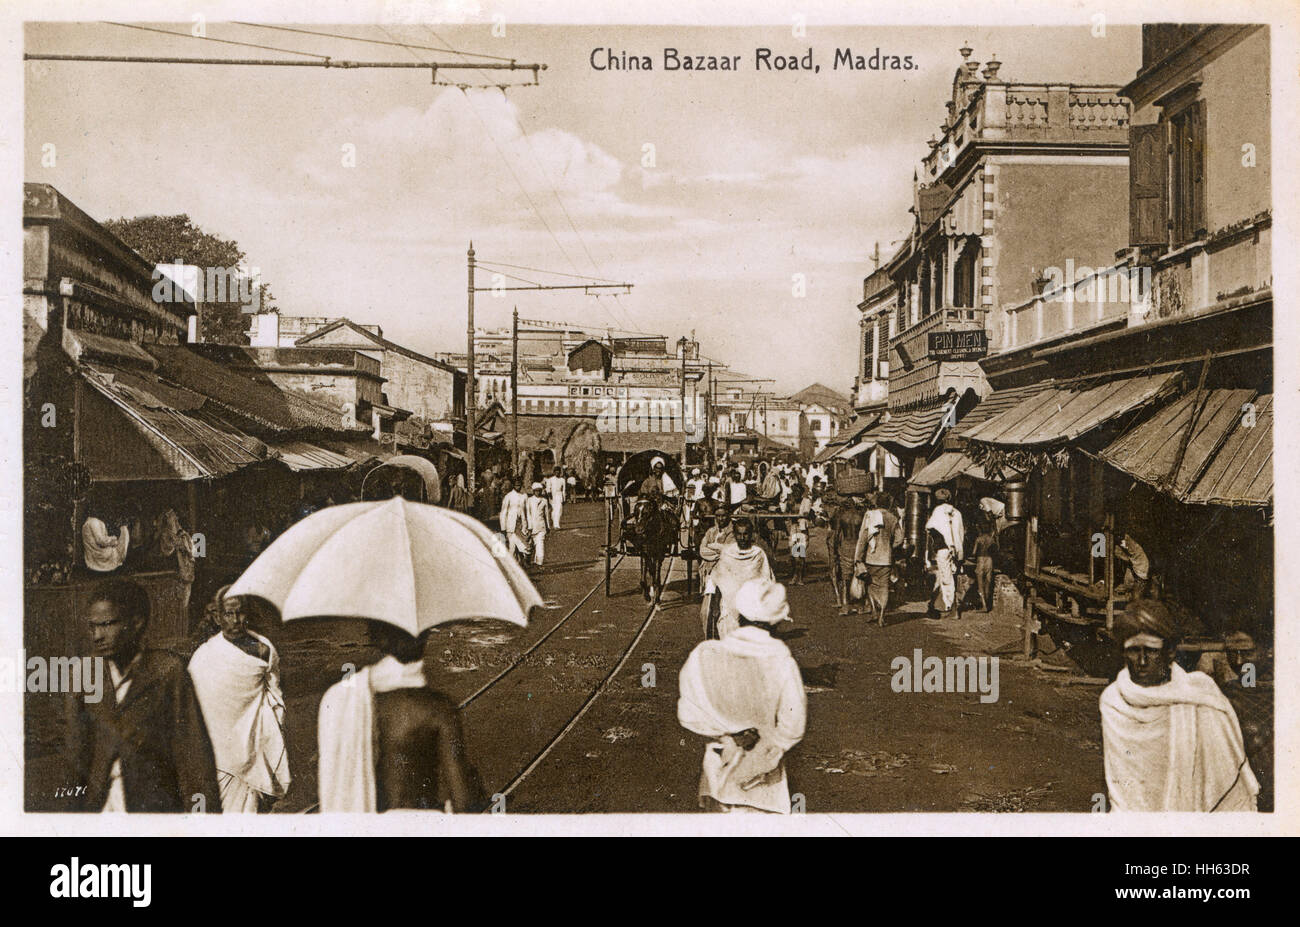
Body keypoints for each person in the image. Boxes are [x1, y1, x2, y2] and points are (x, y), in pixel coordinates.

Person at [63, 578, 221, 813]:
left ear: (136, 623)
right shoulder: (85, 674)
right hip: (100, 810)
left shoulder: (168, 672)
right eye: (92, 627)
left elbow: (194, 758)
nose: (97, 635)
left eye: (107, 624)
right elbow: (76, 754)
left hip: (155, 810)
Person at [1100, 600, 1259, 812]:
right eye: (1133, 651)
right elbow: (1123, 783)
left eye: (1151, 650)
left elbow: (1221, 774)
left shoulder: (1200, 695)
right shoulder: (1115, 700)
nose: (1142, 661)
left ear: (1170, 652)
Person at [318, 623, 486, 812]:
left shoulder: (345, 699)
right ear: (424, 639)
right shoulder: (438, 709)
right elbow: (463, 801)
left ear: (378, 640)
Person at [677, 578, 806, 814]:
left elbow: (689, 713)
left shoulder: (706, 654)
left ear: (738, 616)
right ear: (775, 623)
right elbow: (794, 725)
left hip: (718, 776)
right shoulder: (781, 660)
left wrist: (728, 732)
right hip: (764, 784)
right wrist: (770, 748)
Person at [187, 587, 290, 813]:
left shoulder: (264, 650)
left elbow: (274, 694)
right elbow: (193, 706)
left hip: (252, 744)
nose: (235, 620)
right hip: (218, 751)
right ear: (217, 617)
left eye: (240, 613)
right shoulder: (203, 656)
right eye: (228, 614)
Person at [699, 516, 775, 639]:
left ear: (751, 535)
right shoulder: (728, 554)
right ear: (735, 535)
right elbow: (718, 581)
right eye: (739, 534)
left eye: (746, 534)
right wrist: (715, 606)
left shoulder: (758, 554)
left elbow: (767, 578)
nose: (742, 538)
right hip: (730, 604)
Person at [854, 491, 904, 626]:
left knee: (870, 585)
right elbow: (899, 539)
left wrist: (858, 557)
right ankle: (882, 615)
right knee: (884, 587)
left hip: (871, 558)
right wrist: (890, 547)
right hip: (886, 559)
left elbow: (863, 538)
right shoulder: (893, 518)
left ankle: (874, 611)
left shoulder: (870, 516)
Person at [925, 488, 965, 619]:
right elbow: (960, 533)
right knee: (951, 576)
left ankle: (951, 608)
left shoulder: (938, 512)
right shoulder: (957, 513)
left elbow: (930, 528)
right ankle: (944, 604)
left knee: (945, 578)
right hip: (956, 549)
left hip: (942, 549)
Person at [498, 476, 529, 567]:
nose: (518, 486)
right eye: (516, 485)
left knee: (522, 545)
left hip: (521, 524)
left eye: (519, 485)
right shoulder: (508, 496)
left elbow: (527, 511)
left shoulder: (524, 496)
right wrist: (503, 527)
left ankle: (521, 562)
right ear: (513, 485)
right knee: (512, 547)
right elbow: (504, 512)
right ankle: (512, 567)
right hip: (511, 525)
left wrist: (528, 525)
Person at [971, 522, 999, 612]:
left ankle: (984, 605)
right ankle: (987, 603)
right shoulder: (991, 539)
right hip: (989, 560)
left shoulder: (979, 539)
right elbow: (995, 550)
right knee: (988, 582)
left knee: (980, 584)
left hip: (981, 560)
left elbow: (974, 552)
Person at [525, 482, 552, 568]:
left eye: (539, 491)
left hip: (541, 526)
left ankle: (539, 563)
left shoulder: (544, 501)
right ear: (533, 491)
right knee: (529, 546)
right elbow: (528, 514)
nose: (538, 492)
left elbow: (546, 514)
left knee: (540, 544)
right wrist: (529, 527)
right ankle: (528, 560)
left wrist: (548, 526)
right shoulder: (529, 500)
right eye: (536, 491)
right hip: (531, 527)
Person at [789, 483, 810, 585]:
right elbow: (787, 513)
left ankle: (800, 577)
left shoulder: (806, 501)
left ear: (801, 493)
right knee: (793, 554)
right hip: (794, 528)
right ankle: (794, 576)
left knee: (800, 554)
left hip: (802, 529)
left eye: (797, 492)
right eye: (794, 492)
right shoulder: (791, 502)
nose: (796, 494)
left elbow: (806, 513)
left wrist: (797, 515)